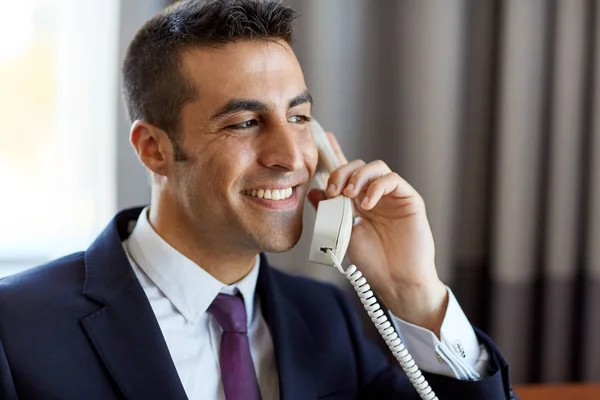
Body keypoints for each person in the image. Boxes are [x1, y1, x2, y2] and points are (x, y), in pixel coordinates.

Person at [0, 0, 516, 399]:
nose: (291, 156)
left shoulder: (325, 317)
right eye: (246, 123)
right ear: (154, 149)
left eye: (297, 117)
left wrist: (416, 292)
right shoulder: (18, 327)